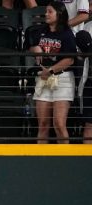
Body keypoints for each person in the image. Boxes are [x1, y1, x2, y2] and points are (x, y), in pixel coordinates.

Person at [29, 2, 76, 144]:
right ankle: (41, 160)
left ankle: (64, 160)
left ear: (59, 14)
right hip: (43, 79)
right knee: (43, 124)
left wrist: (50, 70)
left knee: (59, 124)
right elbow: (31, 45)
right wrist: (35, 49)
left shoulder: (67, 33)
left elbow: (70, 60)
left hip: (62, 79)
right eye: (46, 11)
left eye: (50, 12)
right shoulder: (41, 31)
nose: (46, 14)